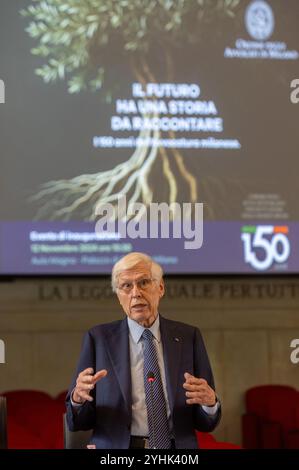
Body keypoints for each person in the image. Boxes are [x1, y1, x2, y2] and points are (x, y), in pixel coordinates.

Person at [66, 252, 221, 449]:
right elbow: (77, 422)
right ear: (118, 297)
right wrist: (77, 399)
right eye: (126, 286)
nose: (136, 293)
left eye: (144, 283)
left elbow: (206, 423)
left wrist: (210, 403)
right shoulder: (98, 339)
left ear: (161, 287)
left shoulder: (189, 337)